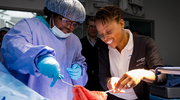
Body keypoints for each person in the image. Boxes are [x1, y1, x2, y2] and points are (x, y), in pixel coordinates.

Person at [1, 0, 88, 100]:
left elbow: (80, 68)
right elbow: (12, 47)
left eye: (74, 24)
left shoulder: (74, 40)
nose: (69, 27)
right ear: (51, 14)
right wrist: (39, 58)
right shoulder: (30, 26)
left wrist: (80, 71)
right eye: (65, 20)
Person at [94, 5, 167, 100]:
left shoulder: (145, 43)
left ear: (121, 24)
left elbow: (162, 76)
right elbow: (103, 77)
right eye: (101, 34)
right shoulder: (103, 48)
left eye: (109, 31)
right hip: (113, 97)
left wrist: (142, 74)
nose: (105, 38)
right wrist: (108, 82)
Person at [80, 17, 103, 91]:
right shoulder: (80, 43)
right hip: (85, 79)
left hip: (99, 80)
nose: (93, 29)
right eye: (91, 26)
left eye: (95, 27)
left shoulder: (102, 44)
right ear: (87, 28)